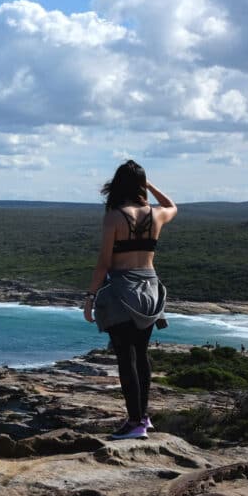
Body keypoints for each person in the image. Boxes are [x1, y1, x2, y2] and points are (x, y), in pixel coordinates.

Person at [83, 160, 177, 440]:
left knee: (126, 358)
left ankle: (134, 422)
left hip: (123, 291)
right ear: (140, 185)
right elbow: (173, 206)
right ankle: (143, 417)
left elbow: (103, 264)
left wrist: (90, 297)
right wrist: (149, 186)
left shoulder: (114, 217)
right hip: (150, 289)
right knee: (142, 355)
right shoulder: (156, 214)